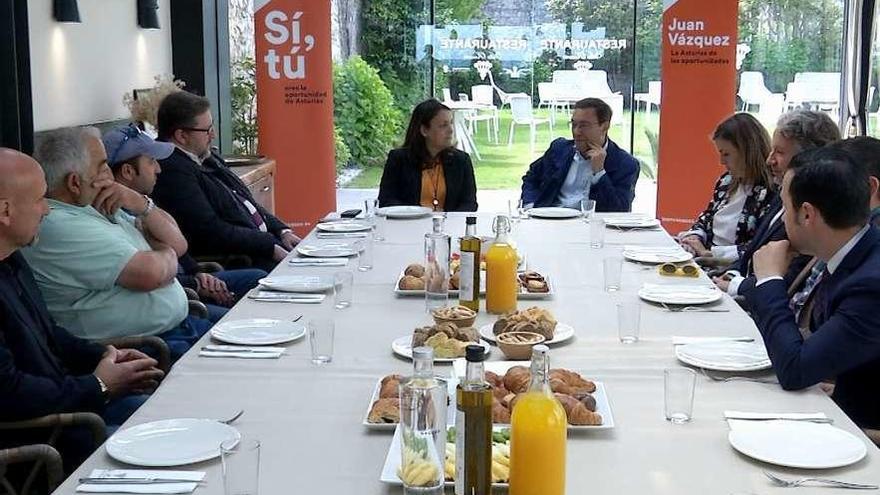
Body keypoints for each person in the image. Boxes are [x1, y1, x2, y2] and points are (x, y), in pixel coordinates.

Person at [0, 148, 164, 471]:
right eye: (39, 200)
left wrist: (105, 356)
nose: (47, 210)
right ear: (5, 211)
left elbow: (51, 335)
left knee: (163, 414)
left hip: (73, 415)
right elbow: (9, 393)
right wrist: (99, 385)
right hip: (41, 452)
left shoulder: (13, 260)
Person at [22, 127, 211, 361]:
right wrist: (164, 251)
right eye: (102, 167)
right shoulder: (59, 224)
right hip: (145, 350)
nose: (111, 176)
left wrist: (141, 203)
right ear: (74, 183)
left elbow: (178, 244)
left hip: (177, 329)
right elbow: (151, 273)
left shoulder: (95, 204)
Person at [747, 147, 880, 429]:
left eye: (784, 206)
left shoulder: (871, 284)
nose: (782, 219)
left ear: (807, 214)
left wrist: (770, 281)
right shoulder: (856, 253)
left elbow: (795, 370)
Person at [102, 125, 267, 323]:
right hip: (171, 298)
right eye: (152, 161)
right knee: (238, 322)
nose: (159, 169)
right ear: (128, 171)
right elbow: (149, 274)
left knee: (259, 278)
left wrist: (198, 272)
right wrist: (196, 282)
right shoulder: (114, 216)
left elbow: (179, 247)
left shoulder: (142, 201)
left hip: (184, 283)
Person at [152, 90, 299, 272]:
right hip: (245, 258)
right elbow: (210, 231)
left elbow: (246, 202)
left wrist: (282, 231)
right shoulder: (172, 171)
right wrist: (269, 245)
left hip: (263, 245)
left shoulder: (206, 156)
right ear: (181, 136)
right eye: (207, 130)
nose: (213, 135)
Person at [714, 110, 840, 296]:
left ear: (809, 158)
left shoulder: (816, 216)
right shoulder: (782, 194)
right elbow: (753, 253)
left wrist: (736, 285)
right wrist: (732, 274)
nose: (769, 160)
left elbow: (788, 280)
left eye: (779, 152)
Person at [787, 137, 880, 332]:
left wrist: (768, 280)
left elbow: (805, 359)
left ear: (869, 187)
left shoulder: (865, 265)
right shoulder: (843, 240)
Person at [679, 113, 775, 264]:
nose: (721, 161)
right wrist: (694, 238)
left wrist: (708, 253)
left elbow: (759, 247)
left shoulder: (771, 192)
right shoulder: (726, 181)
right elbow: (707, 216)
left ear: (747, 152)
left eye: (726, 154)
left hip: (729, 271)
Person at [520, 97, 639, 212]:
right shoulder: (559, 149)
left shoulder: (625, 164)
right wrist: (530, 206)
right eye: (574, 124)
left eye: (584, 126)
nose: (576, 132)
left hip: (593, 227)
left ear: (604, 126)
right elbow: (531, 178)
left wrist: (599, 173)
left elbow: (619, 211)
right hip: (551, 222)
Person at [378, 99, 478, 212]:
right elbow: (386, 201)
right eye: (443, 125)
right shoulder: (399, 159)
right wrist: (416, 215)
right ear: (424, 130)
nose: (450, 130)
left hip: (449, 226)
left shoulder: (461, 161)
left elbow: (469, 204)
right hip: (409, 224)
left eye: (450, 123)